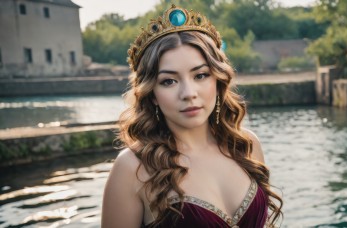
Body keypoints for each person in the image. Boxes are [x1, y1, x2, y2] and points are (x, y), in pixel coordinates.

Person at [102, 4, 282, 228]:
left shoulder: (246, 145)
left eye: (201, 75)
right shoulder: (132, 168)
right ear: (153, 94)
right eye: (169, 81)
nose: (188, 94)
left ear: (217, 80)